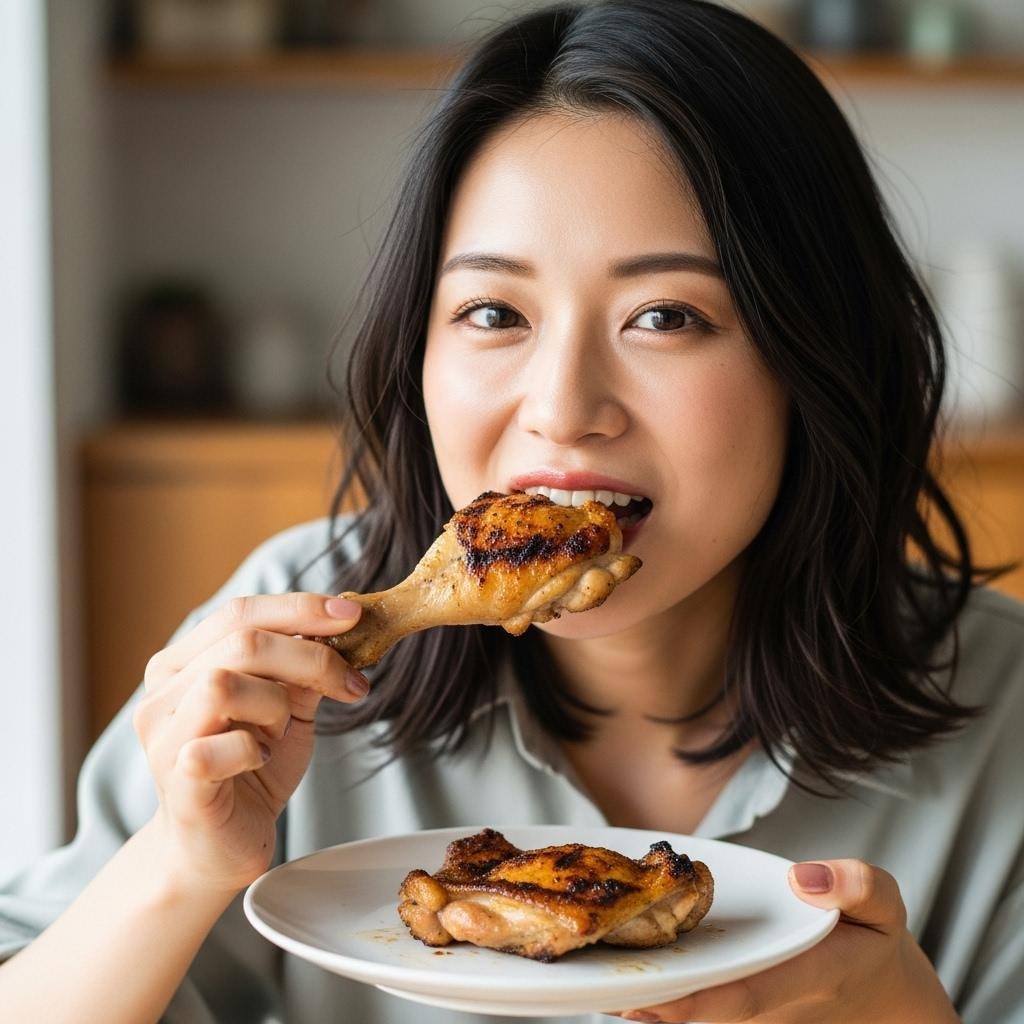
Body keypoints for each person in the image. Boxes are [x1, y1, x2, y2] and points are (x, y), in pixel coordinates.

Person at [2, 1, 1023, 1021]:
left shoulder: (1006, 710)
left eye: (664, 317)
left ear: (818, 357)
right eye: (495, 313)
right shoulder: (285, 642)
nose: (563, 410)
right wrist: (175, 868)